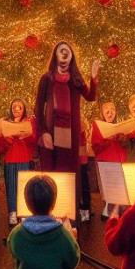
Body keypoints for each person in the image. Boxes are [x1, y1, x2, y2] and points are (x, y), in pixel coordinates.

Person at [34, 41, 99, 210]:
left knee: (69, 174)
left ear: (71, 58)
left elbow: (91, 97)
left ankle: (69, 214)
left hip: (71, 136)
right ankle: (50, 209)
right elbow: (39, 107)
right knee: (52, 173)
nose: (63, 56)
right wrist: (43, 132)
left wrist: (93, 78)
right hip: (51, 134)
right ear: (55, 55)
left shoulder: (76, 80)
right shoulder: (47, 78)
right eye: (61, 52)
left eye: (67, 53)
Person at [91, 101, 135, 220]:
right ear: (103, 113)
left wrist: (122, 138)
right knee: (107, 188)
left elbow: (128, 148)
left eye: (112, 109)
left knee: (119, 187)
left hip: (119, 160)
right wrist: (108, 140)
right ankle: (106, 211)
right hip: (104, 161)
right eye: (107, 109)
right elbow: (95, 147)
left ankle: (116, 210)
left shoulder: (120, 126)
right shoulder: (98, 126)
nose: (110, 112)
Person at [2, 98, 37, 225]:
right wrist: (7, 138)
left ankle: (24, 212)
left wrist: (27, 135)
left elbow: (34, 140)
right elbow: (1, 145)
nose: (16, 108)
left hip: (25, 158)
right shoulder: (6, 122)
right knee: (11, 186)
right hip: (10, 159)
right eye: (14, 106)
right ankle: (12, 212)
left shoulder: (29, 122)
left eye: (19, 106)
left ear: (24, 109)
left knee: (24, 185)